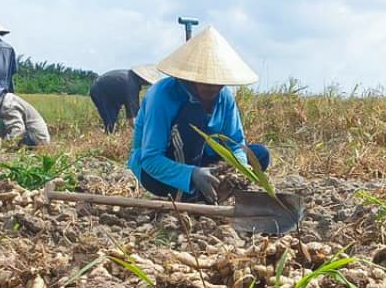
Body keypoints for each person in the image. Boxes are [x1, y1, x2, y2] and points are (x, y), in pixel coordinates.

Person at [128, 26, 270, 204]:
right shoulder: (162, 95)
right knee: (194, 116)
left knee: (260, 155)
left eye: (218, 82)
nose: (213, 87)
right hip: (160, 169)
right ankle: (192, 191)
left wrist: (237, 168)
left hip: (204, 160)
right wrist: (192, 174)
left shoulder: (224, 97)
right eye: (206, 81)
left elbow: (236, 144)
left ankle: (210, 190)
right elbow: (150, 159)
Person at [90, 66, 164, 132]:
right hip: (99, 91)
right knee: (110, 122)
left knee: (113, 121)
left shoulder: (131, 79)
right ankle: (108, 140)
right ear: (144, 79)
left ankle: (110, 136)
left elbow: (134, 110)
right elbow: (133, 118)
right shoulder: (131, 85)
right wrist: (142, 132)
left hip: (109, 94)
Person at [0, 79, 51, 147]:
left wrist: (4, 144)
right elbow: (0, 125)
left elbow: (18, 130)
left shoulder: (7, 106)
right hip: (34, 134)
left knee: (11, 138)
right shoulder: (5, 99)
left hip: (37, 138)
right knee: (0, 123)